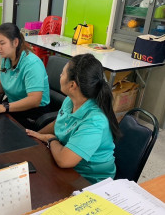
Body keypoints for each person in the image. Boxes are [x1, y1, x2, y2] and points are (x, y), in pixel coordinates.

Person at [26, 54, 120, 184]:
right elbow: (58, 123)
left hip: (90, 181)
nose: (60, 75)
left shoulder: (95, 121)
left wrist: (50, 139)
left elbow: (64, 160)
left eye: (63, 73)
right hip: (70, 168)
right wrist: (34, 138)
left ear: (72, 85)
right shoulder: (71, 101)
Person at [0, 22, 50, 130]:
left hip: (33, 113)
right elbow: (3, 87)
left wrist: (4, 107)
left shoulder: (31, 63)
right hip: (13, 107)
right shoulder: (7, 59)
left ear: (15, 42)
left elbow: (35, 100)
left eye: (2, 43)